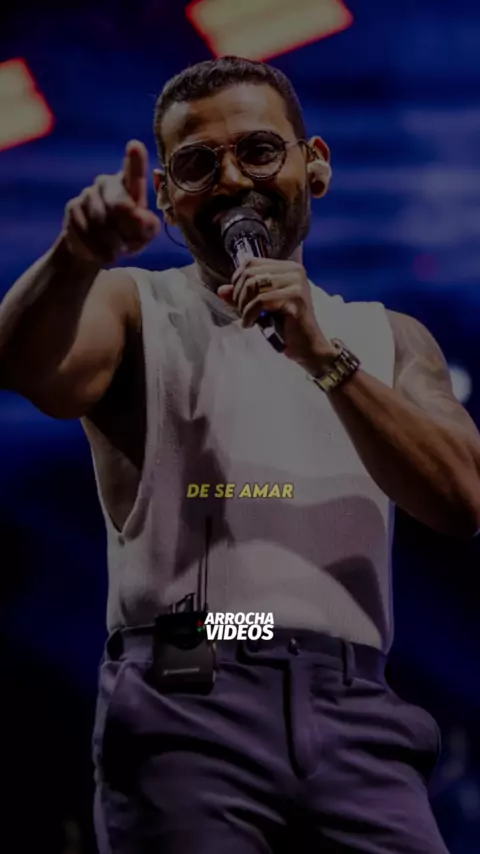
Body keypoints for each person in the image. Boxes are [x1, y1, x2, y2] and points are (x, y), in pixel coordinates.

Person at [1, 55, 479, 854]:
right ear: (165, 195)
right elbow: (24, 366)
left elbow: (463, 499)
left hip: (357, 701)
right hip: (190, 672)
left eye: (258, 151)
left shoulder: (386, 337)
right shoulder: (136, 305)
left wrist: (324, 357)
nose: (231, 180)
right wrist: (75, 255)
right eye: (198, 165)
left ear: (314, 164)